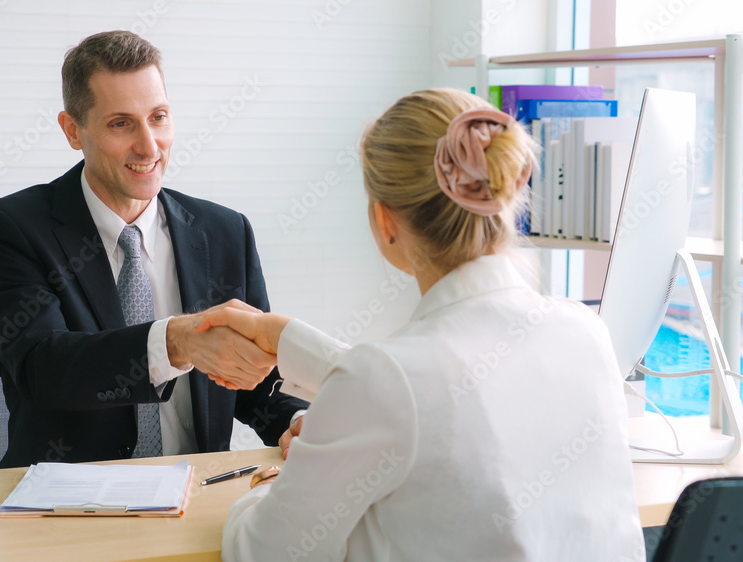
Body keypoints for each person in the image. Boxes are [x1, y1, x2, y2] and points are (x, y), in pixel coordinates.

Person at [202, 89, 644, 560]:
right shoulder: (585, 332)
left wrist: (280, 482)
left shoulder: (386, 379)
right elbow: (438, 388)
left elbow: (263, 552)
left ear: (384, 220)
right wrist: (288, 338)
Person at [0, 30, 307, 469]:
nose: (149, 146)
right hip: (67, 505)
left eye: (158, 117)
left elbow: (252, 377)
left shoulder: (224, 231)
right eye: (121, 123)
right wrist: (176, 341)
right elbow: (44, 370)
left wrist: (294, 418)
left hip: (196, 492)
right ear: (73, 130)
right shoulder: (7, 229)